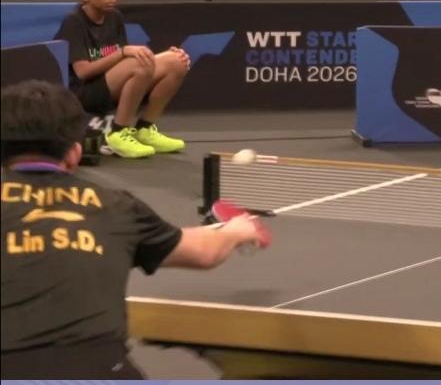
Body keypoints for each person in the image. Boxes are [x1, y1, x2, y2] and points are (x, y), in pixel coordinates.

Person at [0, 80, 268, 379]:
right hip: (99, 371)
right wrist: (236, 230)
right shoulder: (117, 207)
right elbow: (203, 252)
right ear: (75, 152)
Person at [53, 0, 189, 159]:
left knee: (176, 62)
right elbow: (82, 72)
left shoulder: (115, 17)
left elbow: (124, 62)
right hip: (84, 93)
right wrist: (122, 52)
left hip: (111, 85)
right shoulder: (74, 21)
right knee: (139, 62)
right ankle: (118, 133)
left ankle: (145, 129)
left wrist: (165, 57)